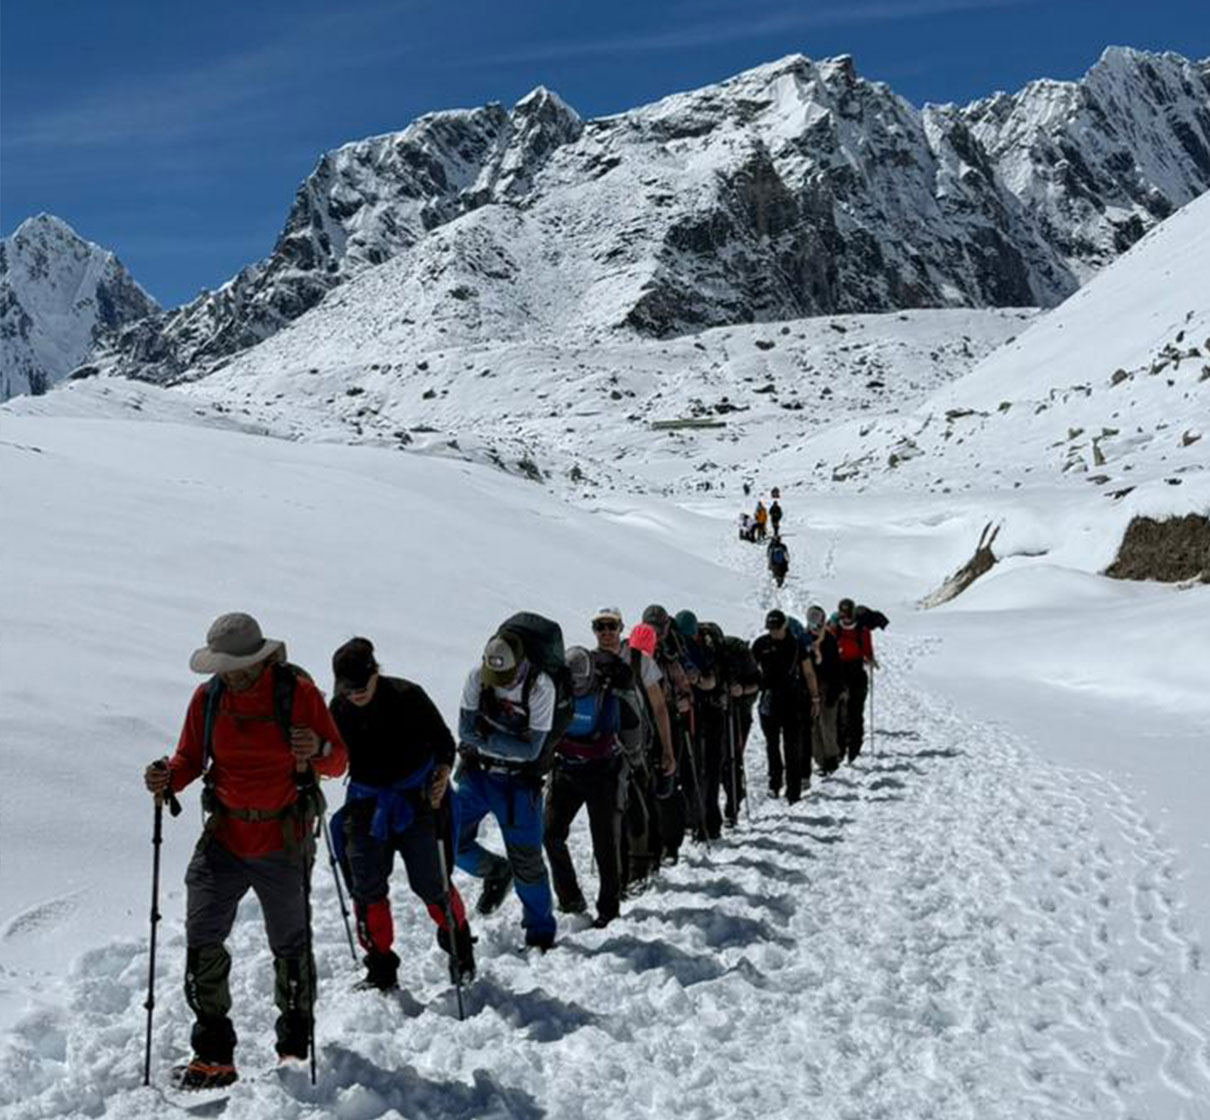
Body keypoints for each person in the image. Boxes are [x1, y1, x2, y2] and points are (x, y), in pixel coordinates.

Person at [143, 613, 347, 1090]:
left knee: (290, 945)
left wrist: (316, 746)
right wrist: (167, 778)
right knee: (203, 934)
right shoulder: (209, 697)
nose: (231, 674)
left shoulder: (296, 693)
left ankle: (294, 1047)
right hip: (226, 836)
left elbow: (339, 761)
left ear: (260, 659)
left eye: (238, 665)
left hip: (284, 837)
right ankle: (213, 1053)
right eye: (224, 666)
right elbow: (191, 758)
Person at [327, 638, 474, 992]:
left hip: (417, 800)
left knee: (431, 882)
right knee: (367, 888)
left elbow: (443, 743)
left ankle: (460, 949)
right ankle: (380, 967)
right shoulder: (339, 709)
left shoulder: (408, 696)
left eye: (362, 685)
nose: (356, 694)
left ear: (376, 673)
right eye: (349, 689)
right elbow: (332, 758)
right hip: (365, 804)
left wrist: (441, 773)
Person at [454, 626, 559, 950]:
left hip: (519, 784)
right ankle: (496, 872)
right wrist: (505, 742)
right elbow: (464, 730)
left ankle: (540, 934)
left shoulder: (541, 686)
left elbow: (532, 750)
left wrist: (486, 739)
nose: (498, 684)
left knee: (527, 860)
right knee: (448, 837)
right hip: (478, 775)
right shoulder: (477, 677)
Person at [543, 643, 631, 928]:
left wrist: (561, 743)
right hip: (566, 771)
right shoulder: (558, 693)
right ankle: (570, 898)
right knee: (550, 834)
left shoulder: (606, 696)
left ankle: (609, 908)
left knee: (604, 842)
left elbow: (602, 743)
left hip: (601, 774)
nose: (576, 686)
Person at [640, 605, 696, 865]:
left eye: (659, 628)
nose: (657, 633)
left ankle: (669, 845)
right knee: (644, 789)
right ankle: (650, 848)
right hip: (640, 727)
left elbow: (685, 688)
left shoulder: (670, 656)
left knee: (666, 784)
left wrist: (682, 702)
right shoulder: (635, 654)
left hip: (667, 725)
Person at [750, 609, 819, 804]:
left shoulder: (796, 645)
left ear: (784, 626)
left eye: (776, 628)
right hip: (769, 700)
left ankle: (794, 790)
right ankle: (775, 783)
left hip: (792, 700)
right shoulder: (760, 644)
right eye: (770, 628)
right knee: (772, 745)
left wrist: (815, 699)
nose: (773, 632)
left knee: (792, 746)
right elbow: (750, 667)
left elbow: (809, 673)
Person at [717, 633, 760, 825]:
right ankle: (732, 805)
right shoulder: (711, 655)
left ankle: (732, 806)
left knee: (732, 758)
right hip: (719, 715)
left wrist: (741, 690)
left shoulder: (739, 655)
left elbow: (758, 684)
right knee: (724, 759)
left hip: (738, 713)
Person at [829, 598, 879, 762]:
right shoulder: (835, 630)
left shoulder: (862, 631)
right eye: (844, 614)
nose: (846, 618)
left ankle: (854, 750)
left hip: (856, 673)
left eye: (849, 614)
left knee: (855, 714)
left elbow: (867, 652)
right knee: (839, 714)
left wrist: (871, 660)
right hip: (839, 673)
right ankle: (841, 749)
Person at [804, 606, 843, 775]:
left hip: (827, 686)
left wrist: (835, 690)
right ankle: (820, 760)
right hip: (809, 688)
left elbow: (835, 666)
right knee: (813, 727)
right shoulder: (803, 639)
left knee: (827, 724)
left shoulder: (829, 640)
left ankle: (831, 758)